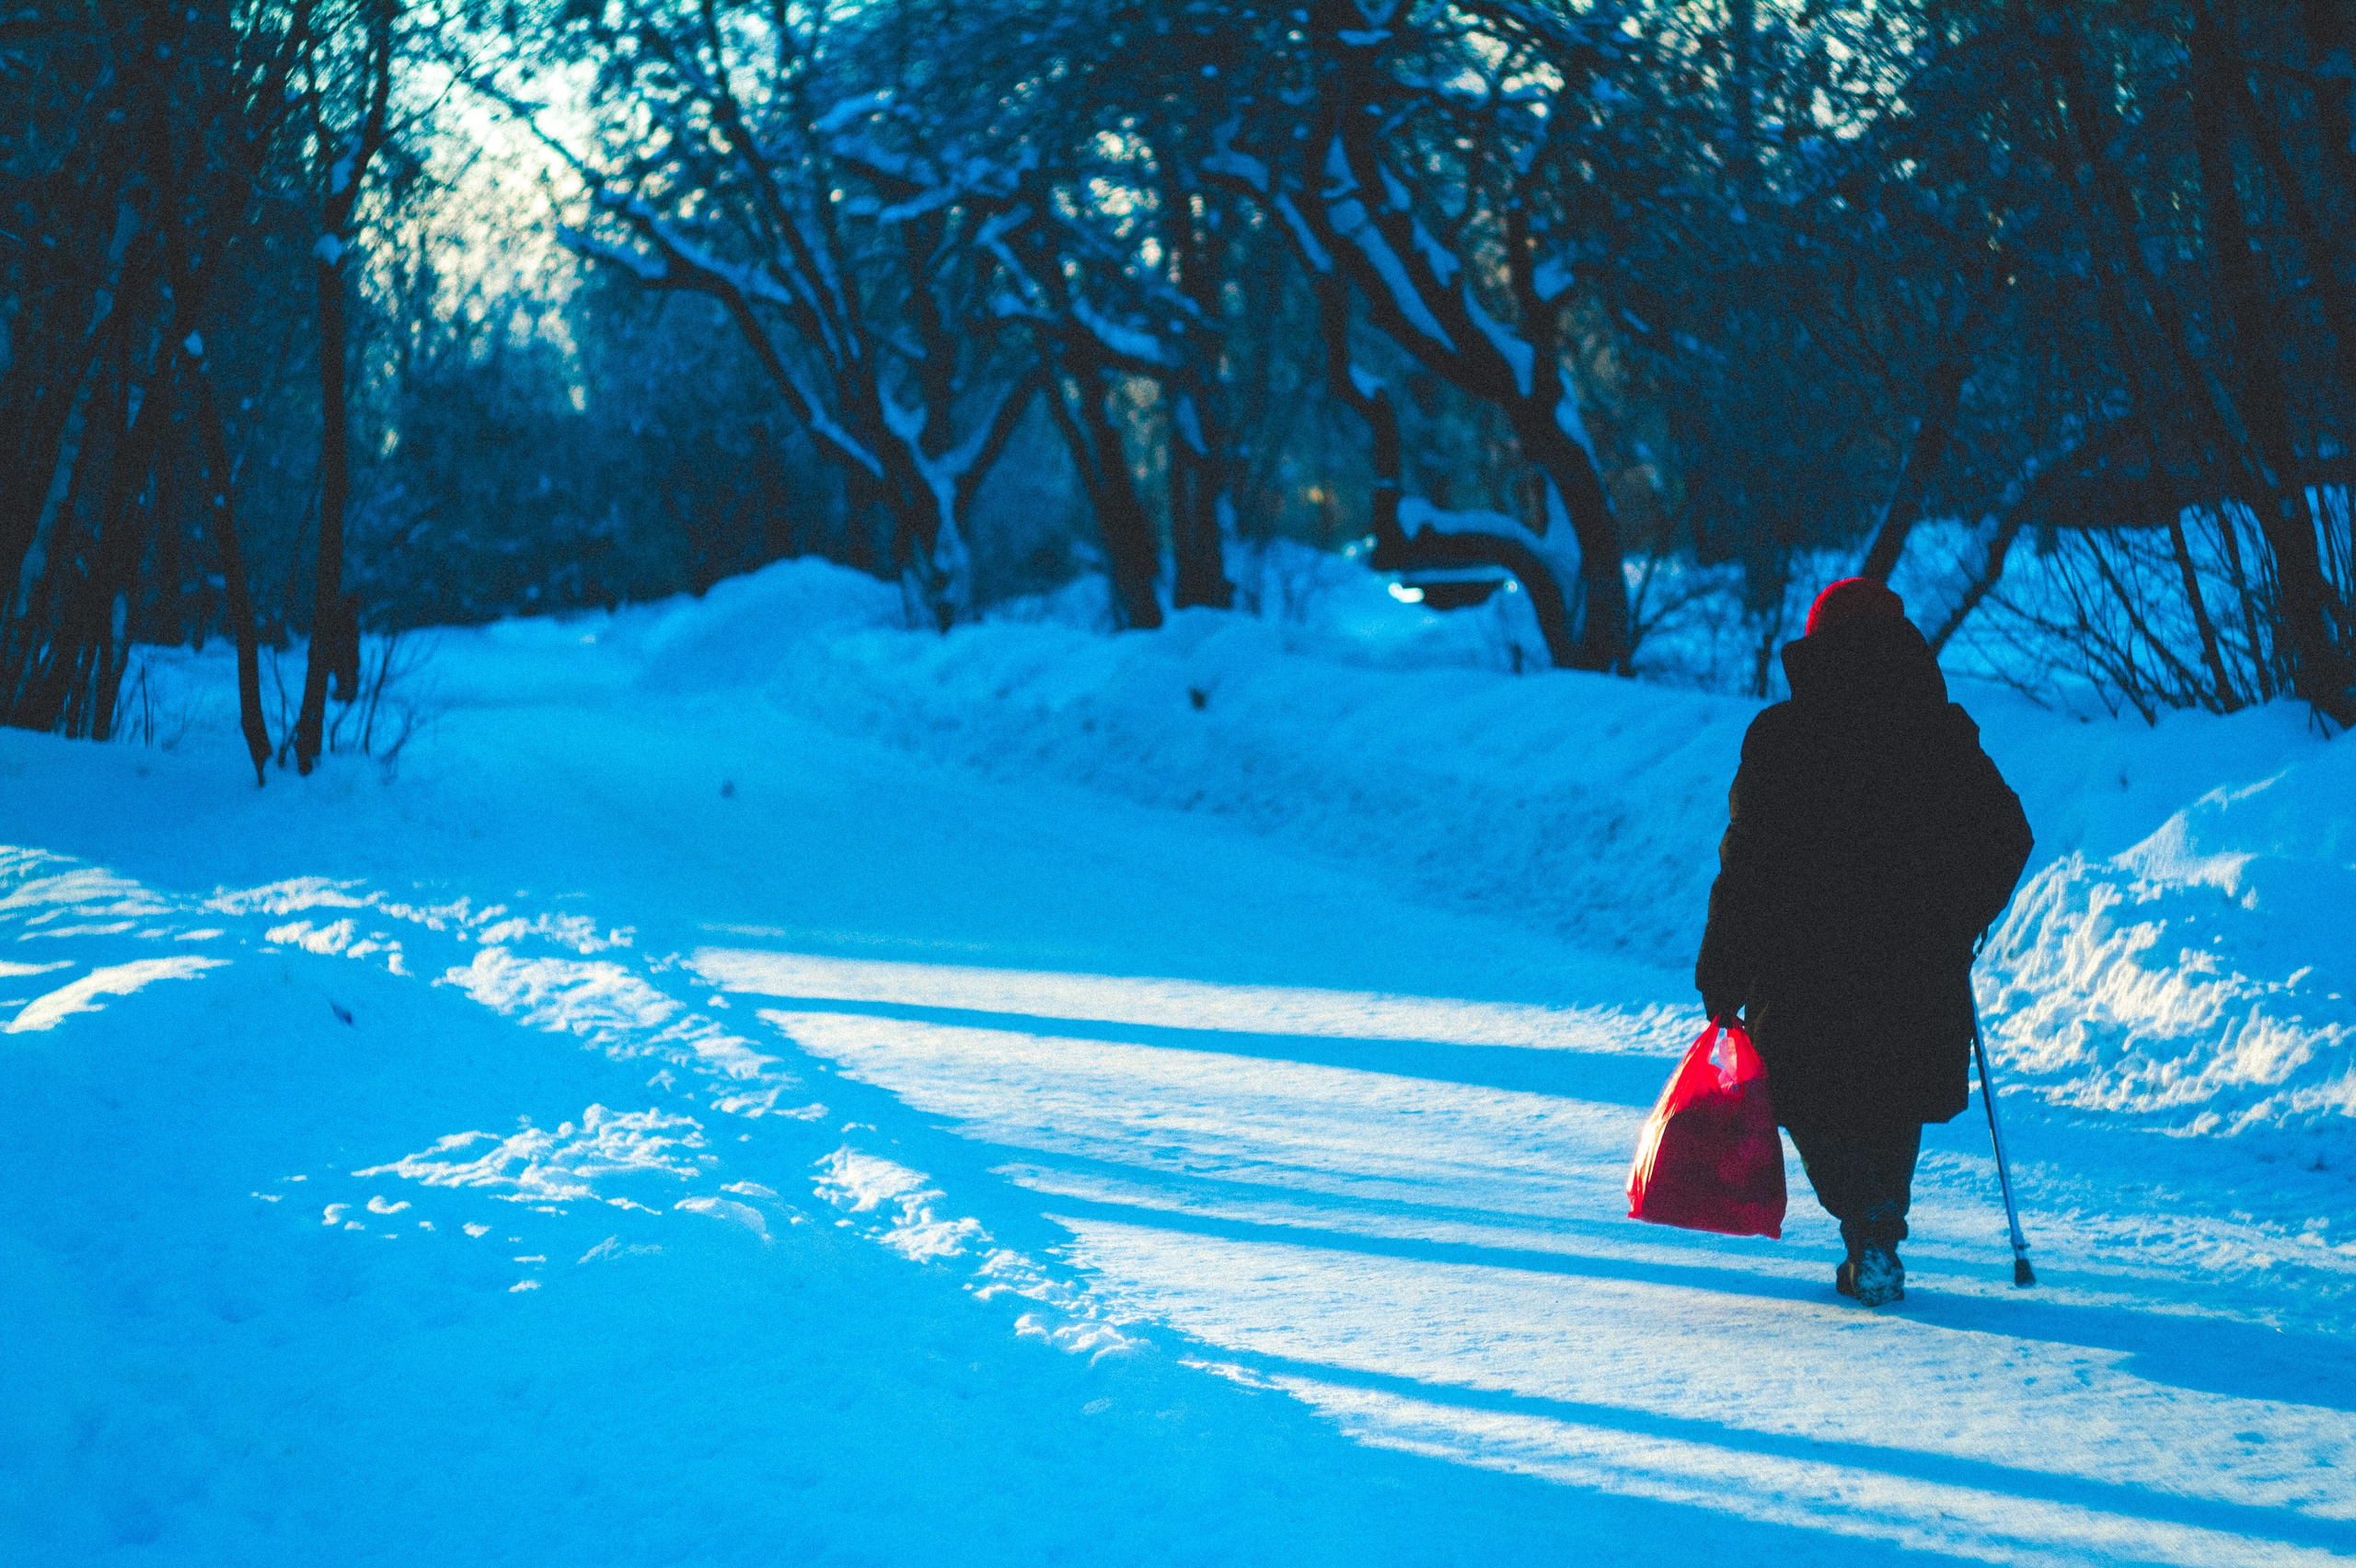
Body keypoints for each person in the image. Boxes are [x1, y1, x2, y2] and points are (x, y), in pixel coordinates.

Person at [1696, 577, 2032, 1307]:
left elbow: (1747, 862)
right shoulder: (1941, 735)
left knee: (1803, 1090)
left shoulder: (1782, 738)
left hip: (1801, 961)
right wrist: (1961, 911)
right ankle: (1876, 1231)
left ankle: (1867, 1222)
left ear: (1817, 644)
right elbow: (2008, 835)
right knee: (1895, 1092)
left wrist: (1723, 967)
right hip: (1916, 959)